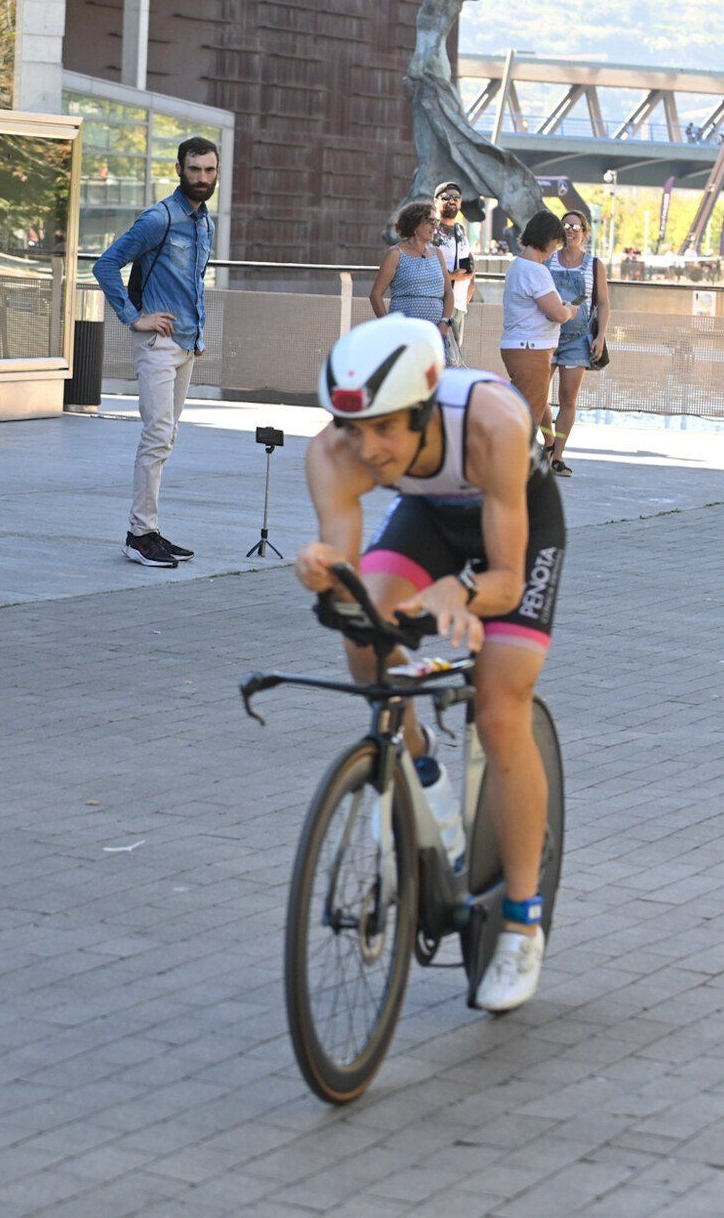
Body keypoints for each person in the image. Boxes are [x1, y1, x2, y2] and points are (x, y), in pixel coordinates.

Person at [294, 314, 566, 1012]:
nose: (371, 449)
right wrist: (324, 571)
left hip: (516, 531)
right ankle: (416, 765)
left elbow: (505, 576)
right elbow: (347, 574)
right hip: (429, 521)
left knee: (500, 707)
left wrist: (463, 592)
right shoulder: (335, 454)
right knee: (363, 631)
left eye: (387, 428)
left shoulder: (492, 422)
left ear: (425, 406)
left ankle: (522, 922)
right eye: (356, 429)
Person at [92, 136, 218, 569]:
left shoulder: (205, 222)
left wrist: (197, 335)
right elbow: (105, 265)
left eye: (209, 170)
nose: (202, 178)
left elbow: (193, 283)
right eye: (195, 169)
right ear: (180, 169)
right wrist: (133, 317)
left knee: (166, 438)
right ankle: (138, 534)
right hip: (157, 343)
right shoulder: (158, 218)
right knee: (156, 436)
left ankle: (149, 529)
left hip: (185, 344)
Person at [500, 209, 582, 453]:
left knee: (528, 405)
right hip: (531, 349)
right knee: (528, 416)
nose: (554, 251)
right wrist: (570, 311)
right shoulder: (536, 270)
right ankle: (517, 468)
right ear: (547, 239)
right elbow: (556, 313)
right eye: (556, 243)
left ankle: (546, 448)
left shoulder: (517, 265)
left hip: (517, 346)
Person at [546, 210, 609, 477]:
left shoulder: (594, 264)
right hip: (545, 334)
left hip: (578, 338)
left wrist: (600, 336)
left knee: (567, 399)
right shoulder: (548, 260)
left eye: (576, 226)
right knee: (537, 397)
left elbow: (604, 303)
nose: (571, 230)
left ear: (585, 232)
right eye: (566, 225)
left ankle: (557, 456)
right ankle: (547, 444)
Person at [371, 201, 454, 351]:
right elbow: (375, 294)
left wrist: (444, 323)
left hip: (434, 334)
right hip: (403, 334)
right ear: (415, 224)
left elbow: (448, 293)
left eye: (436, 221)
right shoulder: (395, 254)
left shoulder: (437, 253)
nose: (435, 226)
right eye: (430, 221)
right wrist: (389, 326)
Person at [431, 182, 476, 364]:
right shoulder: (431, 230)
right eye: (446, 197)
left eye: (456, 198)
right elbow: (424, 263)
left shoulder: (460, 230)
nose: (452, 201)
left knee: (455, 358)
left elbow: (468, 261)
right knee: (441, 359)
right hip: (440, 303)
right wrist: (451, 276)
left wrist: (469, 290)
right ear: (436, 202)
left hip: (459, 305)